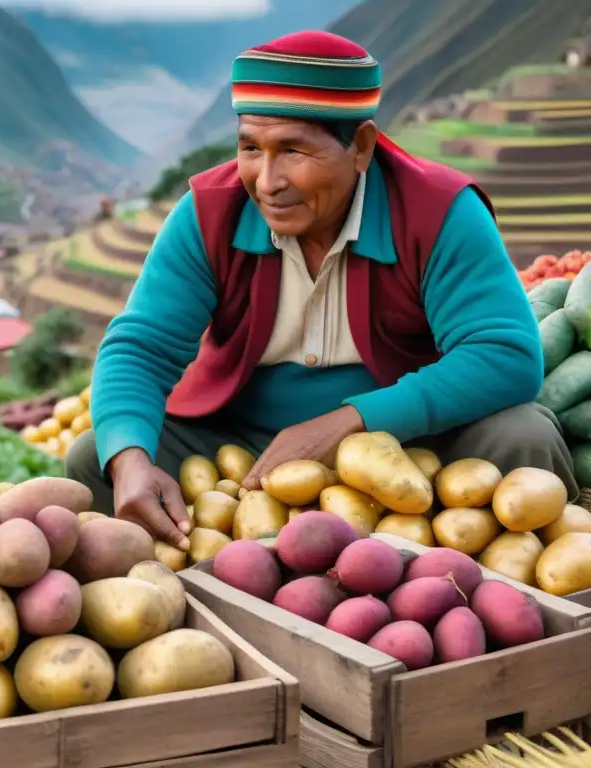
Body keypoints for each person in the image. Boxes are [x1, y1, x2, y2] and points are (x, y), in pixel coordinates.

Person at [66, 31, 577, 551]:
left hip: (406, 442)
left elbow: (506, 356)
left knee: (523, 437)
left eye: (292, 150)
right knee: (99, 456)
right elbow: (139, 348)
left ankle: (535, 617)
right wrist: (129, 460)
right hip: (240, 441)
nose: (267, 181)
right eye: (250, 149)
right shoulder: (207, 214)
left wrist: (353, 423)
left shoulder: (439, 212)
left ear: (360, 147)